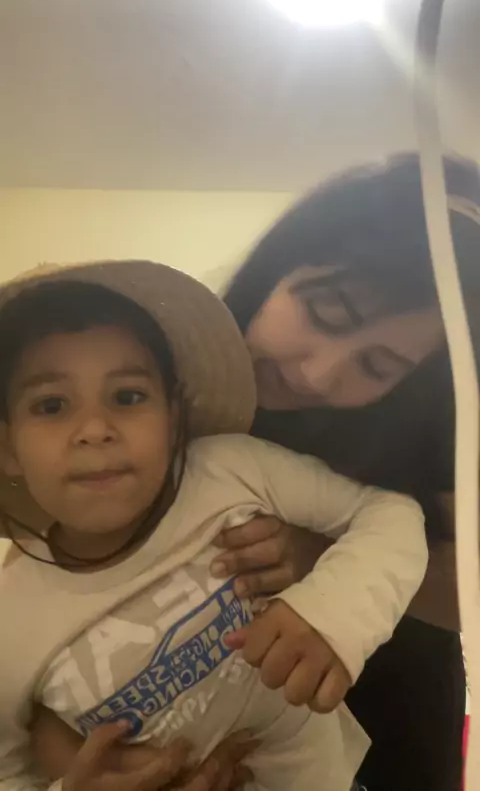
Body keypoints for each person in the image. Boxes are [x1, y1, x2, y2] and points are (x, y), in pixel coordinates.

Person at [0, 261, 427, 791]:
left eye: (128, 397)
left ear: (174, 415)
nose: (94, 428)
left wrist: (332, 611)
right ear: (8, 448)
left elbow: (390, 514)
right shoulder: (10, 620)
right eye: (51, 405)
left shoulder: (230, 469)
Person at [213, 153, 480, 791]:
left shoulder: (423, 429)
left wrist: (324, 558)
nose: (318, 375)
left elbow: (467, 596)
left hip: (393, 709)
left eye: (377, 366)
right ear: (280, 263)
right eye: (327, 313)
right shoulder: (156, 384)